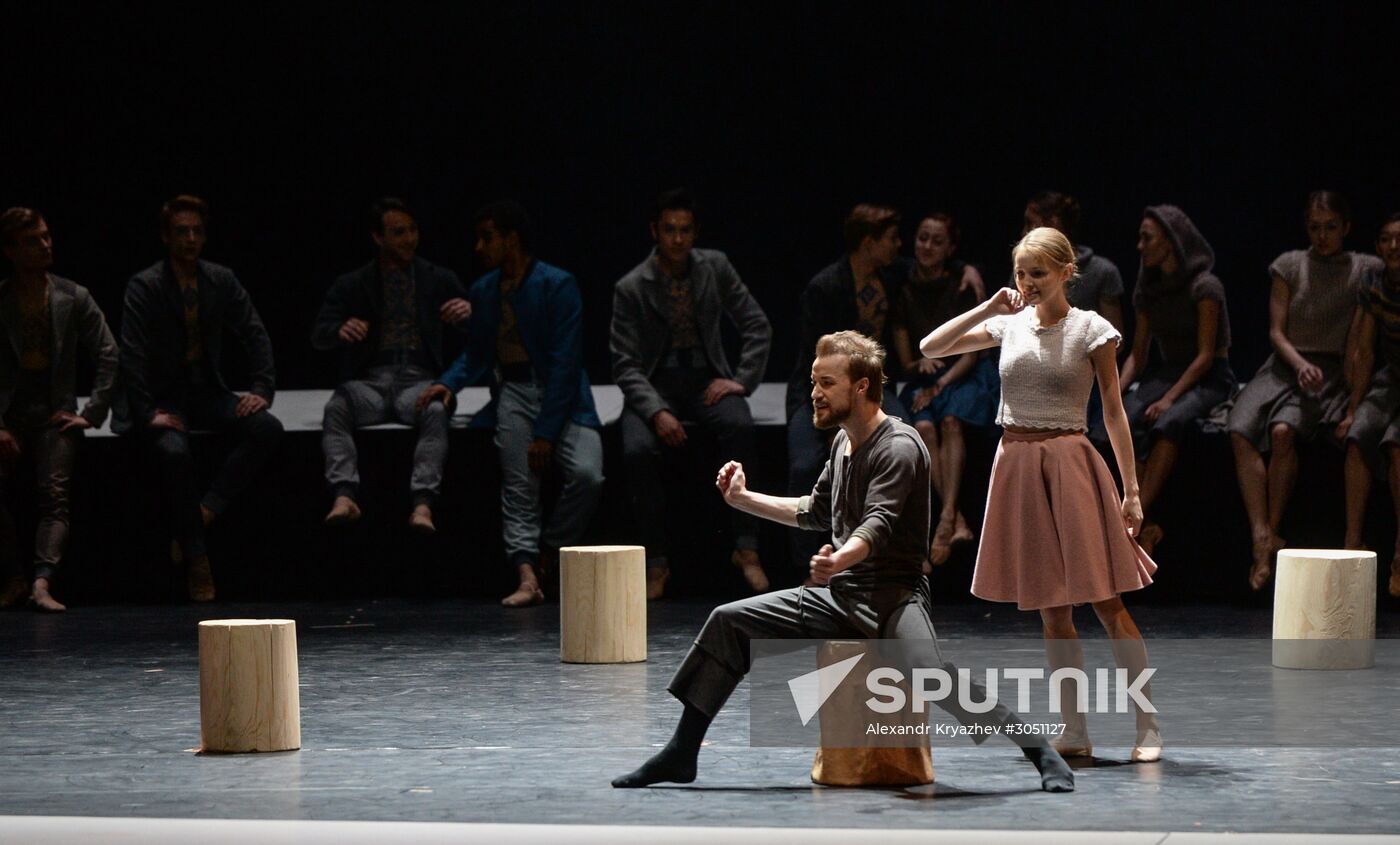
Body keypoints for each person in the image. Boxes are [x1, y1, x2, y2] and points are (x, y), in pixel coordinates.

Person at [612, 330, 1074, 792]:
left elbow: (876, 525)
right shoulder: (842, 443)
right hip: (840, 596)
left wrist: (840, 559)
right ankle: (681, 752)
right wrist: (742, 499)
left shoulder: (898, 446)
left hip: (893, 597)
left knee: (931, 672)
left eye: (826, 383)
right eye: (814, 382)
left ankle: (1039, 750)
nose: (814, 393)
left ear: (861, 387)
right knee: (727, 622)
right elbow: (814, 511)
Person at [920, 227, 1161, 762]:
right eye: (1021, 273)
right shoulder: (1008, 325)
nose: (1027, 283)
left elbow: (1115, 412)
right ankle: (1073, 727)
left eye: (1038, 274)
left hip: (1070, 462)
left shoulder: (1090, 330)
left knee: (1107, 601)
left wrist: (1132, 489)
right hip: (1018, 466)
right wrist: (988, 306)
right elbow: (929, 347)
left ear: (1065, 274)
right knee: (1052, 611)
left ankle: (1147, 724)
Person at [418, 201, 603, 607]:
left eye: (488, 237)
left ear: (511, 239)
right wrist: (447, 383)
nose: (479, 246)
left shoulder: (558, 284)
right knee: (520, 485)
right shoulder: (485, 289)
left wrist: (546, 433)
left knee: (589, 474)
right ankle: (526, 575)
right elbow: (478, 352)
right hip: (514, 393)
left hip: (562, 394)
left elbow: (566, 362)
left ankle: (550, 551)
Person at [114, 195, 283, 602]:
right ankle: (197, 558)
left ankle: (204, 512)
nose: (190, 239)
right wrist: (147, 411)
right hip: (162, 397)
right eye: (181, 232)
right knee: (173, 454)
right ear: (165, 237)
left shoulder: (219, 279)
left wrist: (261, 389)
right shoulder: (147, 285)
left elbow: (254, 331)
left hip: (206, 390)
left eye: (196, 231)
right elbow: (131, 353)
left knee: (266, 428)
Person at [611, 189, 772, 599]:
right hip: (656, 383)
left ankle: (747, 548)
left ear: (694, 232)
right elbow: (625, 364)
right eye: (669, 230)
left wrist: (741, 380)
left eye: (685, 230)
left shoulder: (714, 267)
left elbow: (757, 324)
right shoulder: (632, 286)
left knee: (739, 423)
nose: (678, 239)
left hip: (705, 379)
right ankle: (657, 560)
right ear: (654, 231)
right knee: (634, 450)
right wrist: (656, 410)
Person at [1229, 192, 1380, 590]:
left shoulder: (1365, 267)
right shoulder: (1290, 264)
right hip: (1287, 363)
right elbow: (1276, 331)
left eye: (1331, 227)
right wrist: (1298, 364)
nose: (1322, 236)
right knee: (1239, 425)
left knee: (1282, 432)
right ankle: (1261, 531)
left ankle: (1272, 533)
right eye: (1314, 227)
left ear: (1346, 227)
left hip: (1328, 369)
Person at [312, 198, 471, 533]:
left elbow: (478, 326)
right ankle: (344, 494)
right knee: (336, 407)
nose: (409, 238)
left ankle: (423, 503)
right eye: (399, 232)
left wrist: (465, 314)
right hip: (371, 381)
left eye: (413, 230)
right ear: (377, 237)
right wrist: (339, 331)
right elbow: (319, 333)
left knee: (436, 410)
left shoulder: (437, 278)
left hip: (417, 380)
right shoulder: (354, 283)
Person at [1098, 204, 1235, 556]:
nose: (1140, 245)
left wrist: (1169, 399)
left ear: (1171, 241)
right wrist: (1113, 394)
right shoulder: (1149, 289)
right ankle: (1140, 523)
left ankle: (1133, 522)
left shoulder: (1205, 286)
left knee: (1168, 421)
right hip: (1169, 372)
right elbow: (1139, 356)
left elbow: (1206, 354)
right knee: (1122, 420)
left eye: (1148, 237)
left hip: (1208, 375)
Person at [0, 208, 118, 612]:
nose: (45, 245)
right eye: (33, 240)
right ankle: (15, 576)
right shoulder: (3, 299)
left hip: (53, 409)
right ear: (11, 250)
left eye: (47, 237)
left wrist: (92, 411)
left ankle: (41, 581)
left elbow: (108, 352)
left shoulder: (71, 295)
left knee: (55, 494)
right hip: (11, 411)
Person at [786, 205, 913, 578]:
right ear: (868, 242)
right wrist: (833, 426)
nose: (898, 246)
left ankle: (892, 557)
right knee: (805, 466)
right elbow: (818, 363)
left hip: (868, 390)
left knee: (906, 439)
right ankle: (809, 568)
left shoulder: (891, 275)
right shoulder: (827, 287)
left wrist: (963, 270)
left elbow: (927, 268)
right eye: (891, 239)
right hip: (821, 391)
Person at [889, 213, 997, 567]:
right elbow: (907, 357)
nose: (927, 247)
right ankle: (957, 519)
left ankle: (947, 518)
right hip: (924, 379)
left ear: (950, 248)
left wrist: (939, 383)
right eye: (922, 238)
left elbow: (972, 353)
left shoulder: (962, 285)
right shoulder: (903, 288)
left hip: (960, 377)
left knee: (951, 420)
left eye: (937, 241)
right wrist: (921, 368)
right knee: (923, 428)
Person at [1340, 212, 1400, 597]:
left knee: (1396, 445)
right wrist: (1353, 408)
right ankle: (1352, 544)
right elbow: (1362, 348)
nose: (1393, 247)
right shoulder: (1374, 282)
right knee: (1360, 435)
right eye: (1385, 240)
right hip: (1391, 377)